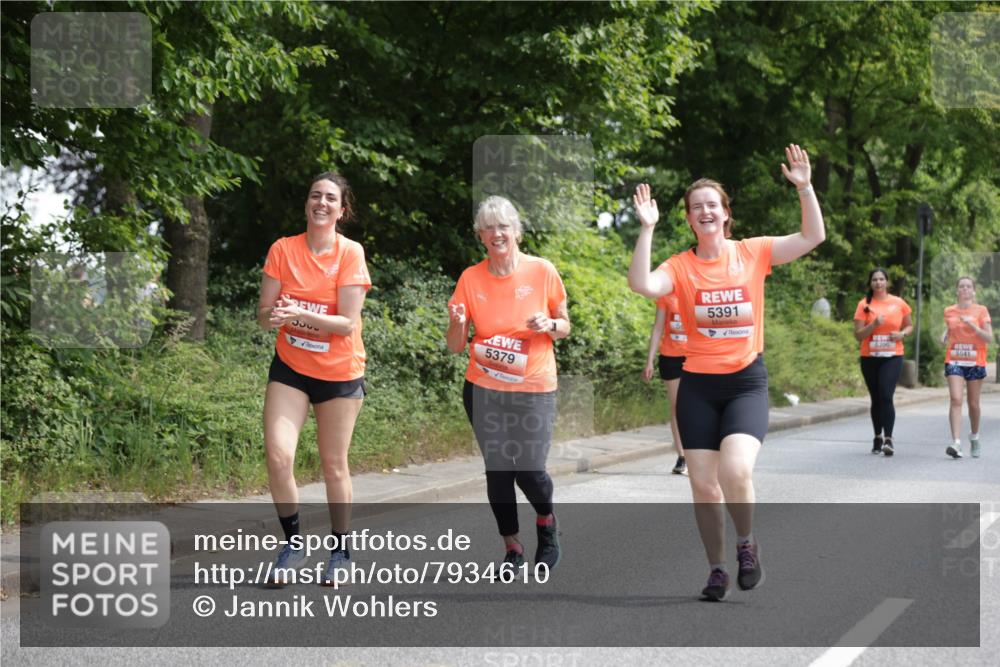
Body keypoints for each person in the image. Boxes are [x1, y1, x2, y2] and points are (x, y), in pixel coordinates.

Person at [628, 144, 825, 602]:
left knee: (735, 470)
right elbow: (642, 284)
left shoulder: (752, 253)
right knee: (702, 485)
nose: (705, 212)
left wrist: (806, 188)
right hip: (698, 386)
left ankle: (746, 544)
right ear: (690, 219)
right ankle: (717, 569)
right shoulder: (679, 266)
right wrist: (647, 230)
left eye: (712, 205)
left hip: (744, 384)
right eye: (696, 208)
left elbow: (812, 236)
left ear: (725, 213)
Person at [257, 172, 371, 585]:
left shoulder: (350, 253)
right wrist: (277, 315)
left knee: (333, 465)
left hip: (339, 373)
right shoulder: (283, 250)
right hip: (291, 368)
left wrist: (300, 314)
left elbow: (345, 323)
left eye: (330, 198)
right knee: (278, 456)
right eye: (314, 196)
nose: (320, 203)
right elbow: (263, 316)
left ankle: (340, 553)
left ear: (342, 210)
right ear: (307, 204)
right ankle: (292, 545)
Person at [447, 195, 570, 573]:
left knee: (529, 469)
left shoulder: (541, 271)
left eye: (504, 226)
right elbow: (455, 346)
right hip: (484, 387)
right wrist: (456, 322)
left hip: (534, 386)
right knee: (498, 469)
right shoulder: (470, 278)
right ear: (480, 235)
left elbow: (564, 325)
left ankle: (546, 522)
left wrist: (549, 325)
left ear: (516, 231)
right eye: (489, 227)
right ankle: (512, 547)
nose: (497, 233)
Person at [853, 268, 912, 457]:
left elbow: (909, 325)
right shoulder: (864, 305)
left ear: (887, 282)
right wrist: (874, 325)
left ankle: (889, 439)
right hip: (870, 357)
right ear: (870, 283)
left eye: (881, 279)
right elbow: (858, 335)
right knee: (876, 398)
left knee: (886, 395)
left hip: (893, 356)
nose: (878, 283)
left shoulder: (898, 303)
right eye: (874, 280)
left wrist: (902, 334)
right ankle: (877, 436)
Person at [940, 277, 992, 459]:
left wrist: (973, 326)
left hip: (976, 360)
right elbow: (950, 329)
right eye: (961, 286)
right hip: (954, 358)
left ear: (974, 291)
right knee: (955, 399)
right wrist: (944, 335)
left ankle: (975, 436)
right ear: (957, 290)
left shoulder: (981, 311)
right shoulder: (949, 311)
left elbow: (989, 338)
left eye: (968, 286)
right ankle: (956, 443)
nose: (965, 289)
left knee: (973, 404)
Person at [642, 292, 688, 475]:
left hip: (698, 356)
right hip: (671, 357)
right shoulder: (666, 297)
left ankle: (701, 453)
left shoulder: (700, 290)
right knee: (678, 407)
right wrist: (649, 360)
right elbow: (658, 329)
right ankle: (682, 456)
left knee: (698, 406)